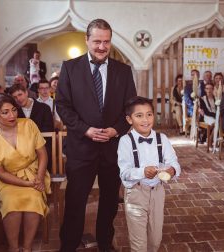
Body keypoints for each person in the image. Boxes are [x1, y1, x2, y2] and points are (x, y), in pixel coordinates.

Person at [56, 19, 137, 252]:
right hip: (81, 147)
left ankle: (104, 243)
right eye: (97, 41)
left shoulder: (124, 71)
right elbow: (62, 105)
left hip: (112, 148)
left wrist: (117, 129)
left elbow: (130, 108)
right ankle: (69, 245)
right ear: (87, 40)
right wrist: (85, 129)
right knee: (75, 201)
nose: (102, 46)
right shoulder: (70, 68)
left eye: (106, 41)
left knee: (110, 201)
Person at [0, 93, 51, 252]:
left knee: (33, 197)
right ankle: (13, 248)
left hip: (34, 173)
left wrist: (39, 178)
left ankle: (27, 248)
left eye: (13, 110)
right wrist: (27, 183)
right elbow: (0, 173)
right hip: (6, 179)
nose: (12, 115)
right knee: (11, 202)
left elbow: (42, 154)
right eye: (5, 112)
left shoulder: (28, 124)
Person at [117, 96, 180, 252]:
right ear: (129, 119)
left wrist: (171, 170)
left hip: (158, 193)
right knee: (139, 244)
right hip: (136, 193)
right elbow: (124, 173)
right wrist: (142, 172)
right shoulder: (125, 141)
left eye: (149, 114)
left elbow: (174, 163)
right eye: (139, 116)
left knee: (155, 240)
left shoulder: (162, 139)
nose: (145, 120)